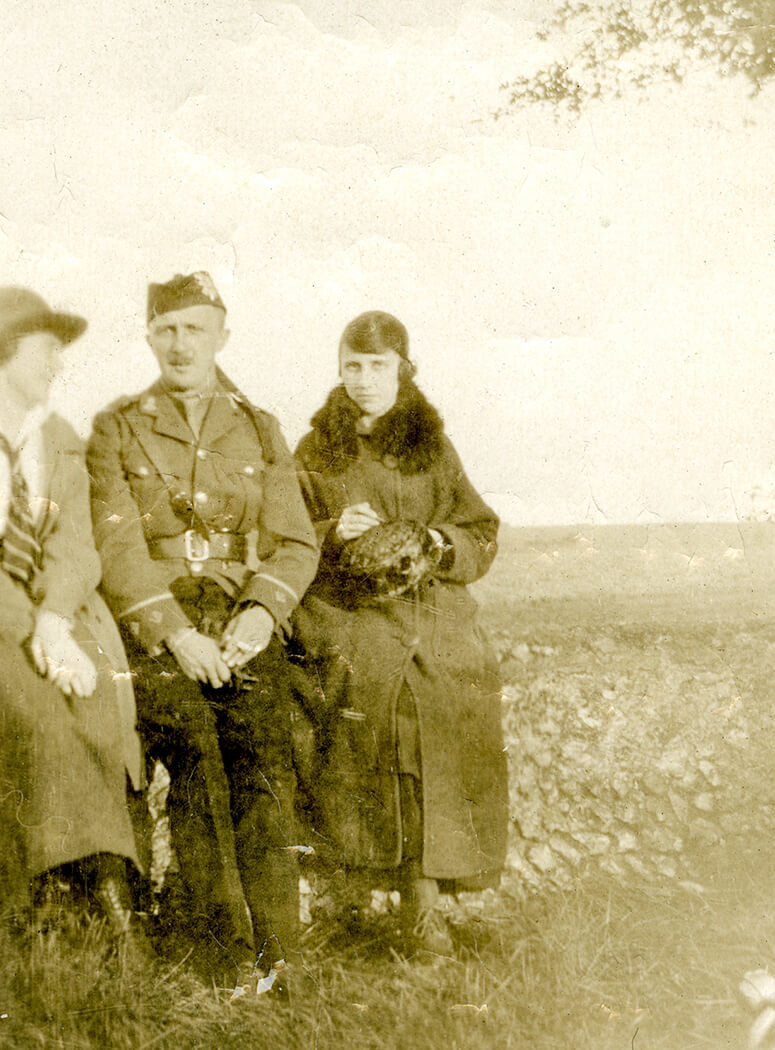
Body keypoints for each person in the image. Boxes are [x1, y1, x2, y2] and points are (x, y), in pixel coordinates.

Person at [85, 272, 319, 988]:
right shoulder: (116, 428)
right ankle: (220, 947)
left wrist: (258, 615)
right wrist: (175, 634)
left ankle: (276, 948)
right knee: (192, 744)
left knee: (258, 750)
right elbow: (117, 548)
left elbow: (295, 542)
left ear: (222, 335)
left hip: (240, 615)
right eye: (167, 330)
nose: (180, 344)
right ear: (149, 336)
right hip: (163, 626)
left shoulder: (258, 427)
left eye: (194, 328)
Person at [292, 310, 508, 954]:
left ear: (403, 370)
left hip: (432, 611)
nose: (363, 380)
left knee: (444, 690)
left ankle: (426, 897)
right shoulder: (315, 450)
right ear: (340, 370)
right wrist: (332, 532)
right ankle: (408, 905)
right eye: (352, 366)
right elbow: (284, 538)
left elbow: (480, 532)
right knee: (392, 701)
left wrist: (436, 541)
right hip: (346, 612)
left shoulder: (431, 448)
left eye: (378, 366)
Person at [0, 287, 143, 945]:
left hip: (39, 614)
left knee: (95, 701)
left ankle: (101, 883)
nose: (59, 364)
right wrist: (29, 629)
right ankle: (49, 889)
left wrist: (56, 622)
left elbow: (76, 545)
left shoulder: (56, 440)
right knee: (34, 710)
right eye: (47, 349)